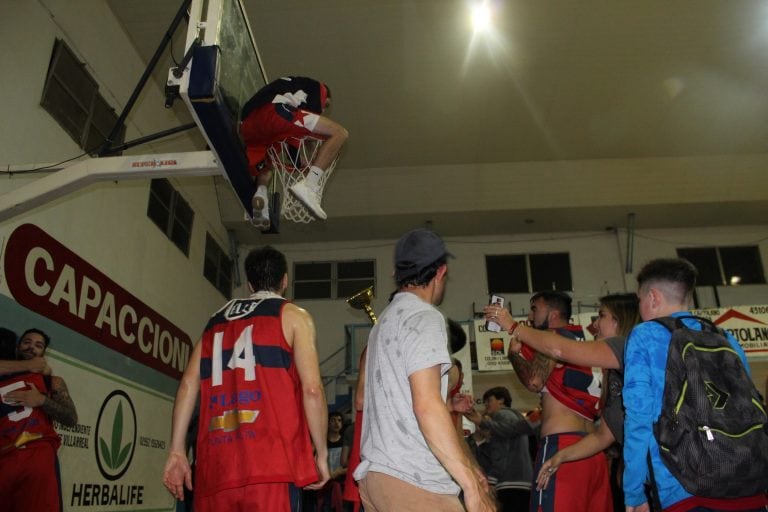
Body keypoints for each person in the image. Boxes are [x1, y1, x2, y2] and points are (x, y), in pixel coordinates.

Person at [162, 246, 330, 512]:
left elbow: (187, 385)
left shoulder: (214, 321)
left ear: (250, 284)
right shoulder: (294, 316)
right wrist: (321, 454)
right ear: (285, 281)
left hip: (216, 467)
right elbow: (312, 390)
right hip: (272, 465)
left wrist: (176, 450)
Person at [354, 228, 495, 512]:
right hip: (413, 479)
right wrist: (470, 485)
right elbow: (428, 406)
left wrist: (466, 464)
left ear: (396, 273)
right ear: (441, 272)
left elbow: (361, 400)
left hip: (377, 477)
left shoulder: (383, 322)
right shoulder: (424, 317)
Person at [622, 258, 768, 512]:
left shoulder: (645, 335)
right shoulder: (724, 337)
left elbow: (638, 418)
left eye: (640, 300)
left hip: (684, 488)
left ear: (653, 297)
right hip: (750, 483)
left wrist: (633, 492)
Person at [491, 293, 640, 511]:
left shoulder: (555, 339)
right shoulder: (591, 349)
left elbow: (534, 381)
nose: (531, 315)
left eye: (535, 309)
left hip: (563, 444)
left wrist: (513, 351)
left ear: (552, 315)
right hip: (593, 449)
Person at [240, 76, 349, 226]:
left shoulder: (293, 88)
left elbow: (293, 144)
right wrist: (312, 161)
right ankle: (310, 185)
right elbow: (307, 127)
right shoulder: (318, 89)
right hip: (275, 113)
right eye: (326, 105)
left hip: (249, 126)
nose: (323, 110)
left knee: (267, 166)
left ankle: (261, 196)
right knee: (339, 133)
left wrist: (299, 162)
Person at [0, 328, 78, 512]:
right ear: (17, 346)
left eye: (38, 345)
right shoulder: (4, 373)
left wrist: (42, 400)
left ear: (43, 353)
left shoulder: (53, 382)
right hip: (4, 457)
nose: (31, 347)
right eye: (27, 342)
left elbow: (71, 418)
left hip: (37, 455)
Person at [464, 386, 533, 512]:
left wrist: (492, 479)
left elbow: (500, 450)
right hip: (521, 481)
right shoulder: (515, 417)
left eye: (489, 400)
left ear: (501, 400)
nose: (486, 405)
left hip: (509, 482)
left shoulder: (502, 415)